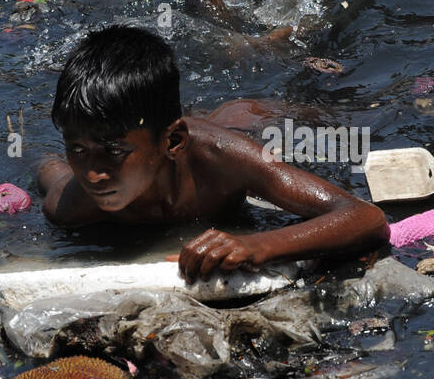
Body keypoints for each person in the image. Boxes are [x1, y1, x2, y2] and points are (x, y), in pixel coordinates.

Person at [36, 25, 388, 282]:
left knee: (348, 116)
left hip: (236, 123)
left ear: (173, 142)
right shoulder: (71, 207)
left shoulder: (224, 161)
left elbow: (365, 218)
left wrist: (257, 246)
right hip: (162, 129)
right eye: (77, 149)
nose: (94, 174)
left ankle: (274, 35)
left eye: (113, 151)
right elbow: (47, 166)